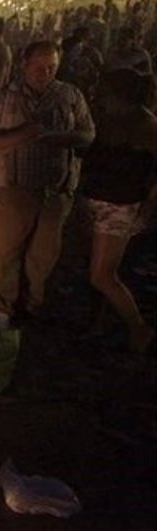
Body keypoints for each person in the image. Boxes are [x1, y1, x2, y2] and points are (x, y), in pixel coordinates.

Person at [0, 40, 95, 321]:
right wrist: (24, 134)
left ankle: (34, 304)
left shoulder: (69, 96)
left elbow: (88, 134)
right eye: (39, 68)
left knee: (44, 254)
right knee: (5, 255)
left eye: (52, 67)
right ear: (24, 65)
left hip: (55, 191)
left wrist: (64, 138)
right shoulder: (3, 100)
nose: (46, 73)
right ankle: (3, 308)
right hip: (11, 190)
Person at [79, 69, 156, 353]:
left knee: (102, 274)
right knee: (93, 269)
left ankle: (138, 327)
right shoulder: (112, 121)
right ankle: (96, 322)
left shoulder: (146, 124)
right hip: (97, 200)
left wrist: (148, 203)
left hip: (120, 205)